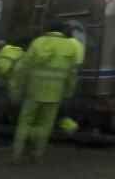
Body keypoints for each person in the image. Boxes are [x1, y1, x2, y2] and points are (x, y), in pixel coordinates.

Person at [10, 21, 79, 164]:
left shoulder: (37, 43)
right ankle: (37, 155)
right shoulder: (70, 46)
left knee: (24, 123)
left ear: (49, 29)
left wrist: (19, 89)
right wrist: (68, 93)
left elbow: (24, 68)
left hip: (33, 92)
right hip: (54, 94)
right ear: (62, 30)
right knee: (44, 126)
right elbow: (72, 74)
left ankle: (16, 155)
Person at [56, 22, 85, 136]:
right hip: (74, 79)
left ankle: (70, 129)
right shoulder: (78, 44)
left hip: (63, 80)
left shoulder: (66, 44)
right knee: (66, 107)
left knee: (60, 109)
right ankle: (71, 128)